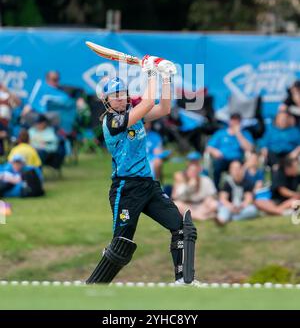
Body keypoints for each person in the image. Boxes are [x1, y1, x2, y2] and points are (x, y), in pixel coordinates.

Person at [86, 55, 198, 285]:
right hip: (125, 188)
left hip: (148, 185)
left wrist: (166, 77)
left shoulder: (134, 116)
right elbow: (147, 103)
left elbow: (164, 108)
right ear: (106, 101)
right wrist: (149, 72)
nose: (120, 99)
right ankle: (94, 287)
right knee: (122, 244)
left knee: (180, 227)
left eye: (122, 94)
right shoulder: (111, 122)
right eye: (114, 96)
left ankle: (183, 281)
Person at [205, 113, 254, 190]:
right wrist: (214, 151)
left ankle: (236, 189)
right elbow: (209, 147)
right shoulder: (220, 133)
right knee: (217, 167)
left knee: (237, 166)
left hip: (237, 159)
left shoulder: (245, 134)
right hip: (222, 158)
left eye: (237, 121)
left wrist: (238, 134)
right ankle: (216, 189)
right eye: (233, 120)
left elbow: (249, 148)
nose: (234, 123)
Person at [172, 152, 217, 221]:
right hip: (186, 205)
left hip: (201, 205)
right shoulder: (180, 177)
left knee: (214, 204)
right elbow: (175, 197)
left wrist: (208, 200)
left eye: (195, 170)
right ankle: (199, 216)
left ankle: (195, 215)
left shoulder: (205, 179)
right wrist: (188, 187)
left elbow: (213, 195)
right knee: (177, 205)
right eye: (191, 171)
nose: (193, 172)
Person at [216, 160, 258, 225]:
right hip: (229, 206)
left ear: (242, 169)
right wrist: (231, 207)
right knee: (222, 208)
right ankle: (222, 219)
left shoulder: (247, 183)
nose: (236, 171)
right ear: (230, 171)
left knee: (253, 210)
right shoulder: (227, 183)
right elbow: (223, 199)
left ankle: (231, 218)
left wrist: (241, 207)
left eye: (238, 168)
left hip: (242, 208)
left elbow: (248, 199)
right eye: (234, 169)